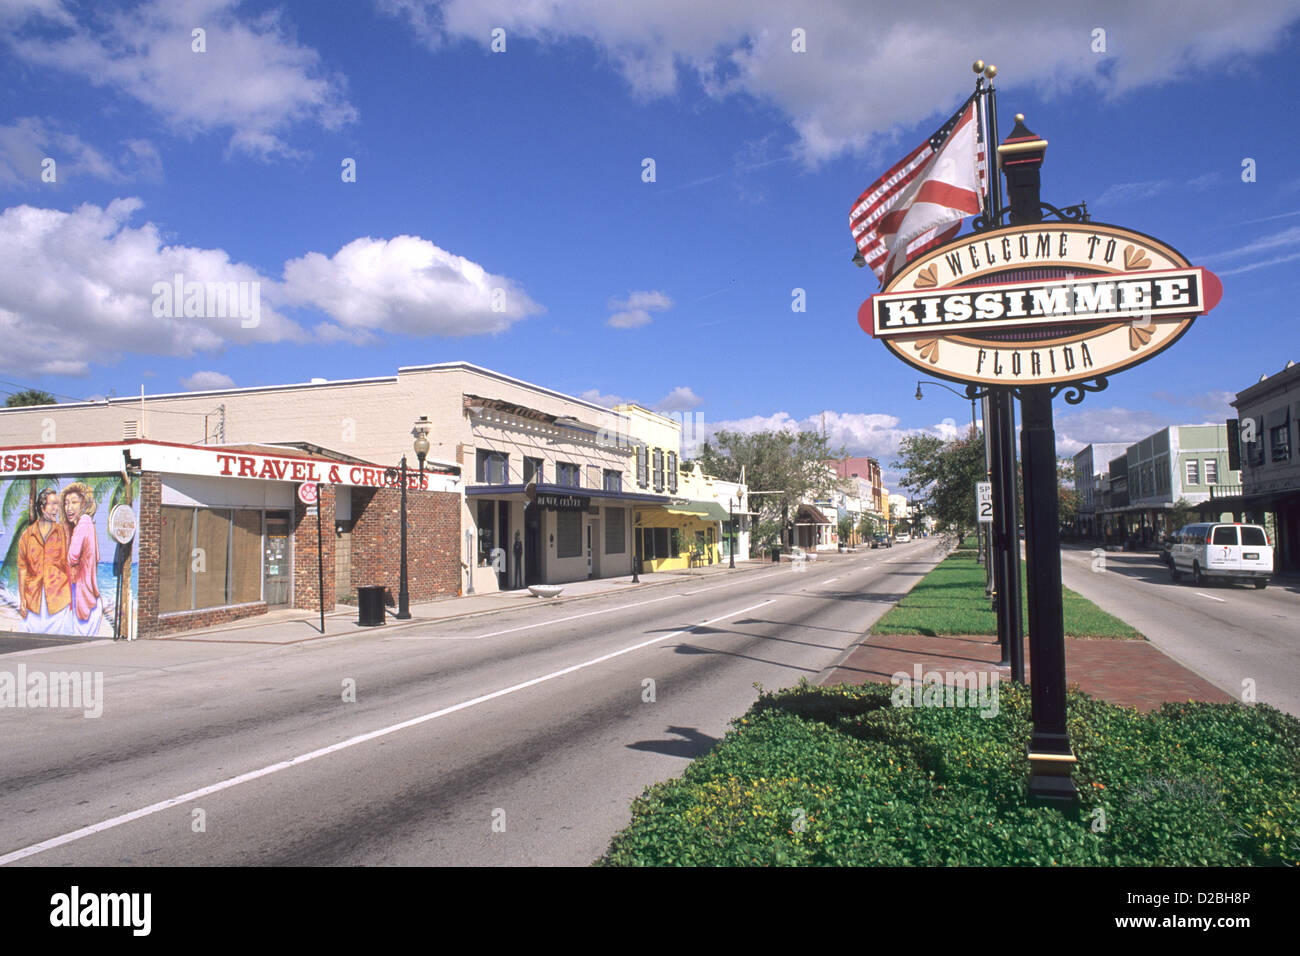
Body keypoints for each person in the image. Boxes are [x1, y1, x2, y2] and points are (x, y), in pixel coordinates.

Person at [17, 487, 73, 633]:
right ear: (42, 508)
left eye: (57, 505)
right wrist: (22, 598)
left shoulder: (62, 532)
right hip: (34, 600)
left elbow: (69, 564)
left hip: (59, 599)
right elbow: (22, 569)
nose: (56, 509)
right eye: (52, 504)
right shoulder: (27, 536)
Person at [62, 482, 103, 638]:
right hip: (92, 596)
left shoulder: (83, 523)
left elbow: (72, 556)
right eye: (66, 503)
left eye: (74, 502)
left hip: (83, 597)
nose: (69, 508)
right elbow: (97, 557)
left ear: (83, 504)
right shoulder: (89, 524)